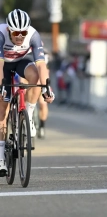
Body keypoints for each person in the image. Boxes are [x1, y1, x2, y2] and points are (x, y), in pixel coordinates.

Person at [0, 9, 55, 175]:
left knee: (36, 77)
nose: (19, 36)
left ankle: (29, 115)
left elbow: (41, 65)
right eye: (16, 32)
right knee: (2, 109)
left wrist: (47, 87)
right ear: (9, 29)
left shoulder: (33, 35)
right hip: (4, 65)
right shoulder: (1, 34)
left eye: (23, 32)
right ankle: (1, 156)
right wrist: (2, 85)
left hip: (22, 61)